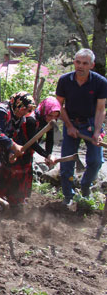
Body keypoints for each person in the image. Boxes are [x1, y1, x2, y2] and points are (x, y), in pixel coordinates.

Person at [56, 48, 107, 207]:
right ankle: (68, 195)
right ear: (74, 62)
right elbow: (59, 105)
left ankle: (85, 186)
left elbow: (100, 109)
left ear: (91, 65)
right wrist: (69, 126)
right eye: (78, 62)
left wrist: (97, 132)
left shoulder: (100, 83)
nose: (80, 66)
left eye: (85, 63)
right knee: (66, 162)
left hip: (91, 123)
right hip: (71, 121)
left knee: (96, 161)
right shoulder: (65, 80)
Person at [0, 96, 61, 210]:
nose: (52, 118)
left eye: (55, 116)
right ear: (44, 111)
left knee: (25, 173)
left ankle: (18, 200)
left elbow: (50, 139)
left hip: (28, 150)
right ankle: (5, 198)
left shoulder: (51, 122)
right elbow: (31, 141)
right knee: (13, 173)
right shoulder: (31, 119)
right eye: (50, 115)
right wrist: (46, 155)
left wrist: (49, 154)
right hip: (18, 147)